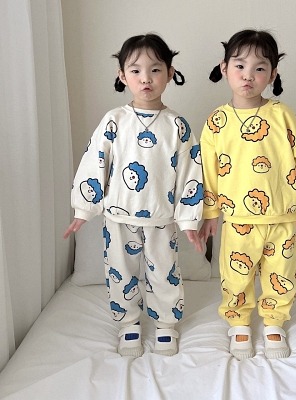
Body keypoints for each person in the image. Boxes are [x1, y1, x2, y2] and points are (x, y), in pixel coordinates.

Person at [199, 29, 296, 360]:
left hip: (283, 217)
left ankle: (274, 322)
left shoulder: (283, 115)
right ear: (224, 68)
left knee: (282, 273)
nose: (248, 76)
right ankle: (239, 324)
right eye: (240, 66)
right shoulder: (216, 122)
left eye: (259, 68)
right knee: (235, 274)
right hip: (237, 219)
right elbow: (208, 172)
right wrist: (210, 214)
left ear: (272, 74)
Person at [64, 34, 203, 359]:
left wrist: (188, 220)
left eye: (155, 70)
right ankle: (128, 323)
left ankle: (166, 324)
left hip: (162, 219)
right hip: (118, 217)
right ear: (122, 75)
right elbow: (95, 162)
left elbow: (191, 174)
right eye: (136, 70)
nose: (146, 78)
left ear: (170, 74)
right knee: (120, 271)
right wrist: (83, 210)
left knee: (164, 271)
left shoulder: (178, 125)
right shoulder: (114, 121)